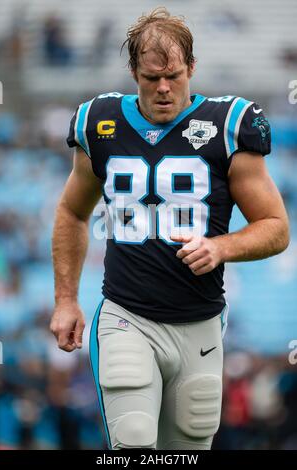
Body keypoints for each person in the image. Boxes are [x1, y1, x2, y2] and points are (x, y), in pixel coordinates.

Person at [50, 7, 289, 450]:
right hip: (127, 315)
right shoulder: (99, 123)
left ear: (192, 68)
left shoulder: (227, 125)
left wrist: (220, 248)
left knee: (189, 446)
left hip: (199, 322)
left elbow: (275, 227)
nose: (163, 88)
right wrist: (65, 300)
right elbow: (71, 213)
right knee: (135, 441)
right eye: (150, 77)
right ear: (133, 72)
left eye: (174, 76)